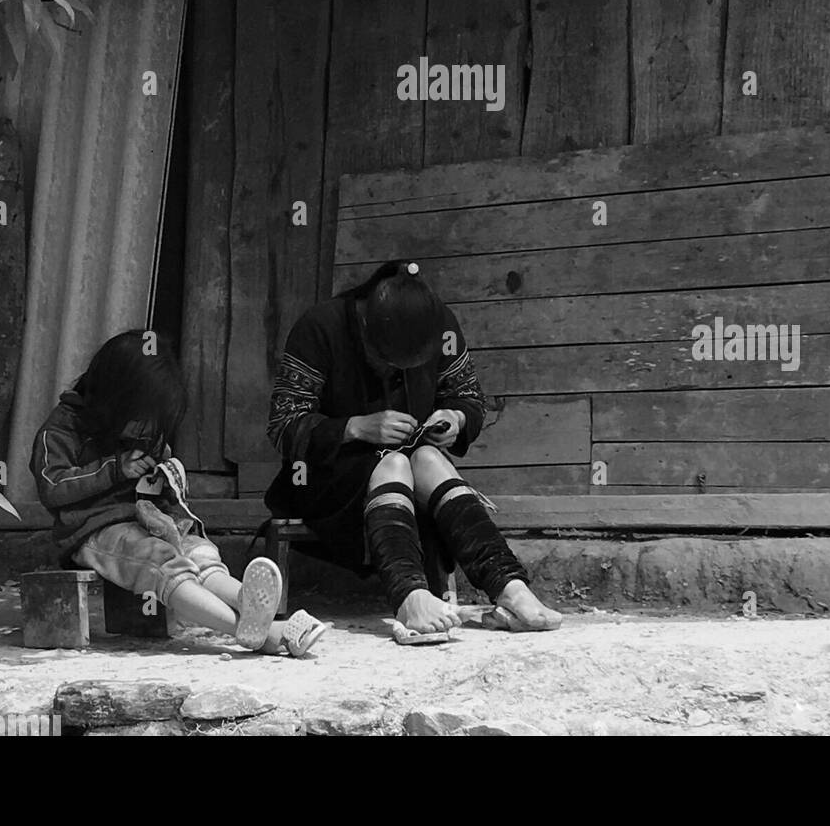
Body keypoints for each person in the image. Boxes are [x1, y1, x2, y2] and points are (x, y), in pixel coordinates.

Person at [266, 260, 561, 639]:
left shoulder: (439, 325)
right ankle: (410, 596)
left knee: (427, 458)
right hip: (324, 484)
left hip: (411, 480)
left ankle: (510, 587)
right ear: (367, 330)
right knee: (393, 464)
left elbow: (468, 397)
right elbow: (283, 426)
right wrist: (355, 427)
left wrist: (455, 418)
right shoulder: (320, 328)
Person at [31, 330, 328, 656]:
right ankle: (250, 629)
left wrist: (165, 476)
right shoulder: (61, 429)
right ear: (113, 399)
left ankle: (247, 600)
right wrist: (114, 470)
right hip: (93, 532)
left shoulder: (146, 431)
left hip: (150, 519)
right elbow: (52, 488)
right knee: (161, 561)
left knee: (199, 552)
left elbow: (160, 480)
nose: (146, 432)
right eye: (141, 418)